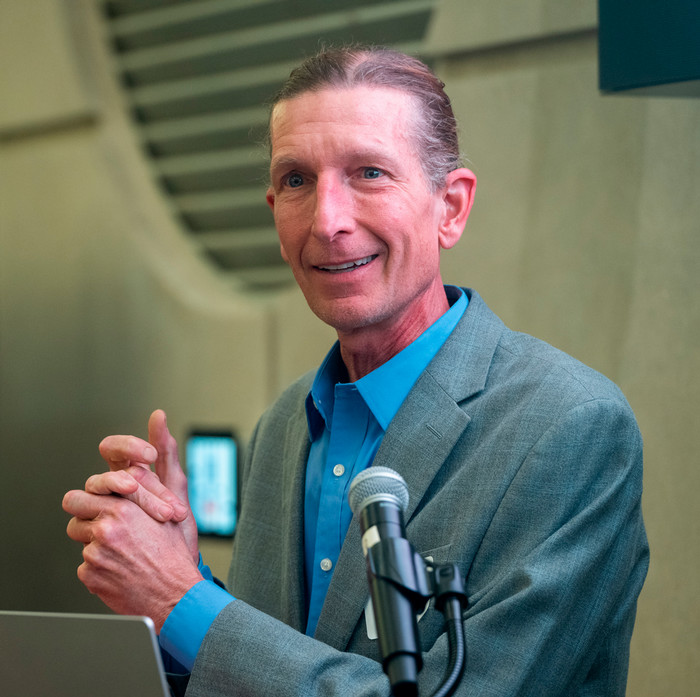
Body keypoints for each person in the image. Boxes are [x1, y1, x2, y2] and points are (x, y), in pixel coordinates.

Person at [63, 46, 649, 696]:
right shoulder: (285, 424)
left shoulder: (570, 428)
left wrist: (185, 603)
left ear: (450, 207)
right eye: (296, 180)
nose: (328, 220)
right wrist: (175, 586)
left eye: (369, 172)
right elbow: (279, 665)